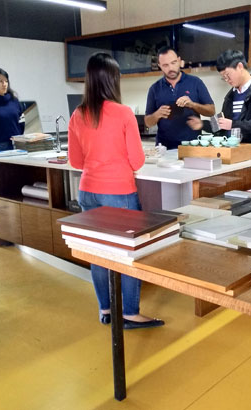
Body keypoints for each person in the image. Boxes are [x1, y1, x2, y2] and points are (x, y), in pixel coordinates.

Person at [68, 52, 164, 330]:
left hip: (88, 192)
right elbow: (137, 161)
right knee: (127, 253)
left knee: (99, 253)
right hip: (118, 192)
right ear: (113, 80)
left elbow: (76, 161)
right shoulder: (122, 113)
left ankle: (106, 310)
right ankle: (130, 314)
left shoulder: (79, 113)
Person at [188, 49, 251, 156]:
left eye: (228, 75)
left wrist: (232, 124)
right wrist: (202, 124)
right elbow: (222, 124)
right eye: (223, 78)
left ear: (240, 67)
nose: (227, 80)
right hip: (236, 153)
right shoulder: (230, 96)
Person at [144, 46, 215, 149]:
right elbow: (148, 122)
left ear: (179, 61)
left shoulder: (195, 82)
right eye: (165, 65)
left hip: (192, 146)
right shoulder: (154, 89)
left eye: (173, 63)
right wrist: (157, 114)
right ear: (160, 66)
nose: (170, 68)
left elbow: (211, 111)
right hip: (164, 148)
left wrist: (193, 105)